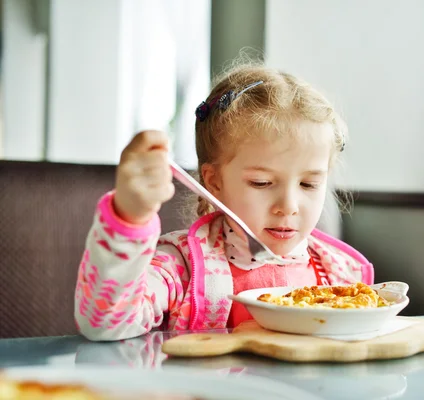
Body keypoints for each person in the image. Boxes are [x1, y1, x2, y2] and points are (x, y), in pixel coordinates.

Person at [74, 62, 374, 341]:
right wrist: (129, 218)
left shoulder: (340, 274)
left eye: (309, 183)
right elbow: (104, 323)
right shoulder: (183, 267)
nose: (289, 205)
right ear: (214, 182)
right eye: (262, 183)